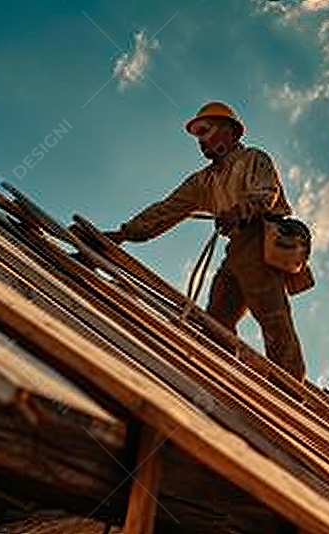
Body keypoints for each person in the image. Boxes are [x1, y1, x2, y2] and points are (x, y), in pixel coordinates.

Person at [102, 101, 312, 380]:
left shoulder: (253, 159)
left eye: (206, 130)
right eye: (197, 134)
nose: (201, 140)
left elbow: (266, 193)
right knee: (217, 319)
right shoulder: (203, 182)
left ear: (231, 133)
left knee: (274, 320)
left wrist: (239, 212)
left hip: (260, 241)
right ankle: (220, 375)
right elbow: (167, 209)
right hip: (237, 249)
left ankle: (290, 389)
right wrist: (125, 233)